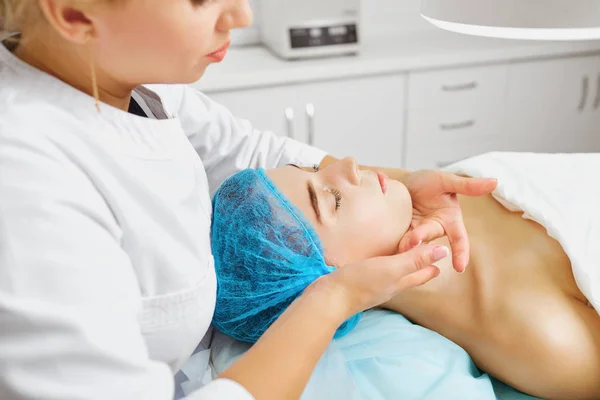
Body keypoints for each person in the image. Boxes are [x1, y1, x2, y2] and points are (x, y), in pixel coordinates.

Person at [0, 1, 499, 399]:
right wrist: (332, 301)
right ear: (74, 14)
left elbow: (245, 149)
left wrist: (404, 183)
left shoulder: (117, 74)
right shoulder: (27, 184)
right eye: (200, 1)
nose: (242, 15)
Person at [209, 153, 600, 400]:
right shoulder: (547, 338)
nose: (344, 163)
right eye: (333, 199)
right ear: (333, 279)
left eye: (314, 168)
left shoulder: (402, 192)